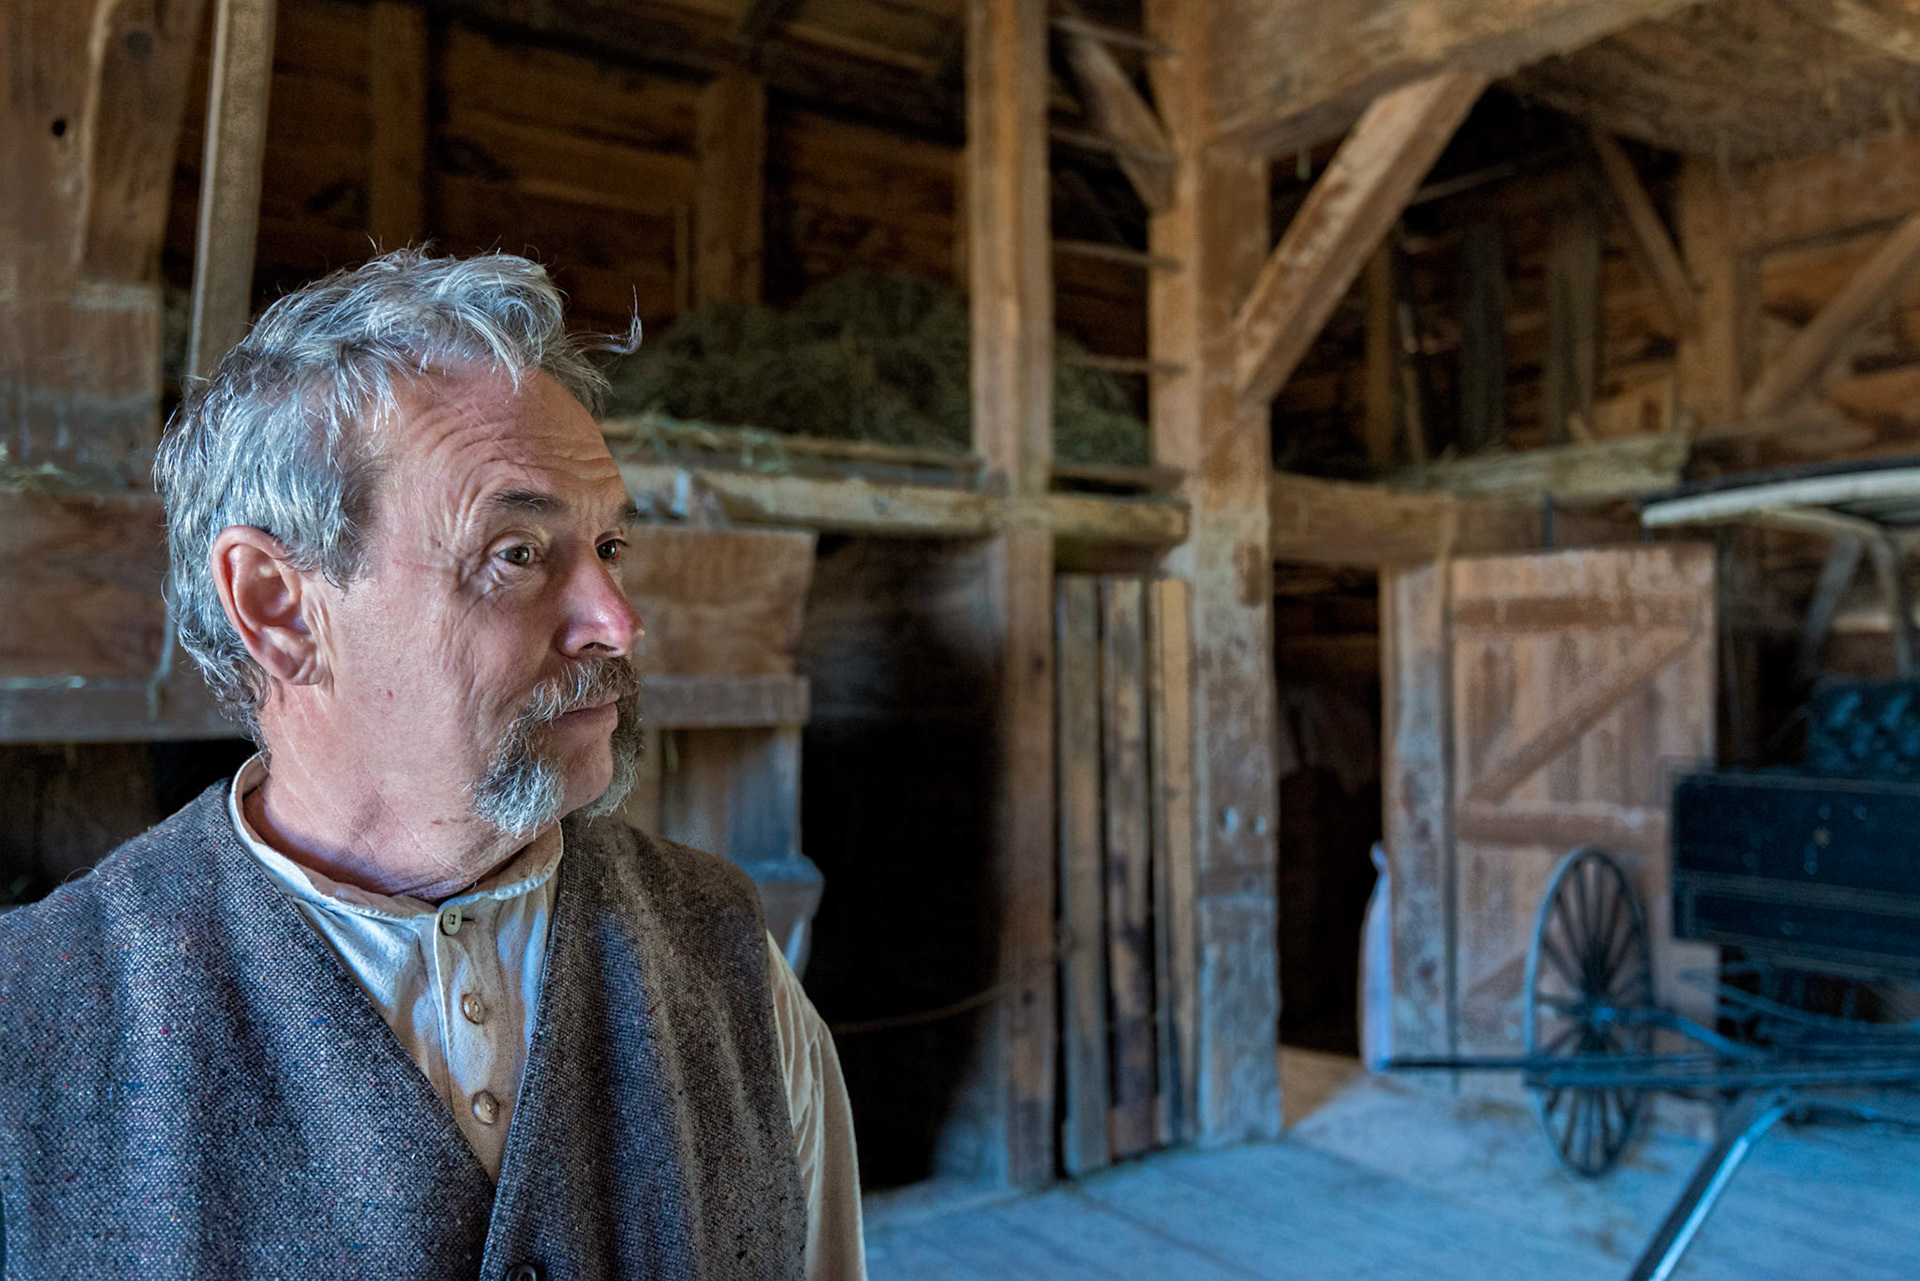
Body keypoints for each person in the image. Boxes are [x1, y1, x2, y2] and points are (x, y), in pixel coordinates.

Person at [0, 250, 863, 1280]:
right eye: (518, 553)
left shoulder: (734, 975)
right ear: (279, 608)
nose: (618, 624)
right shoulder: (35, 1022)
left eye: (611, 551)